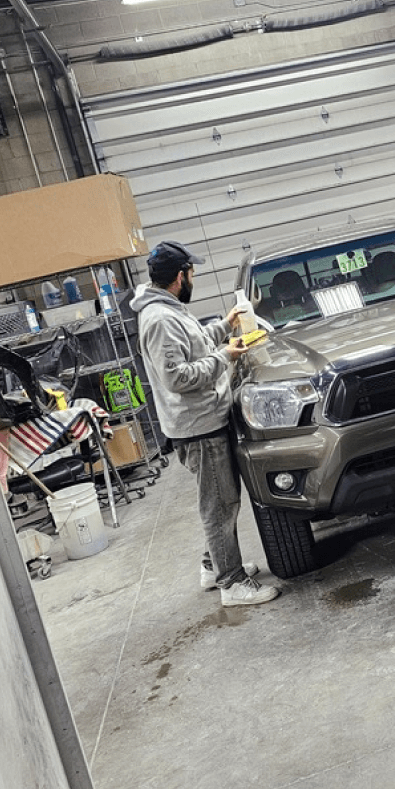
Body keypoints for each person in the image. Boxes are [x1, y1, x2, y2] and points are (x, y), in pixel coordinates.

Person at [131, 240, 280, 605]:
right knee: (219, 506)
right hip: (198, 427)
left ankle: (213, 566)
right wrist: (224, 357)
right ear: (180, 277)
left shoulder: (169, 308)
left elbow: (193, 344)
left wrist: (225, 326)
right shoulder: (160, 319)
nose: (194, 279)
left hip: (204, 419)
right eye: (192, 273)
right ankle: (231, 583)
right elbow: (177, 377)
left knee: (219, 500)